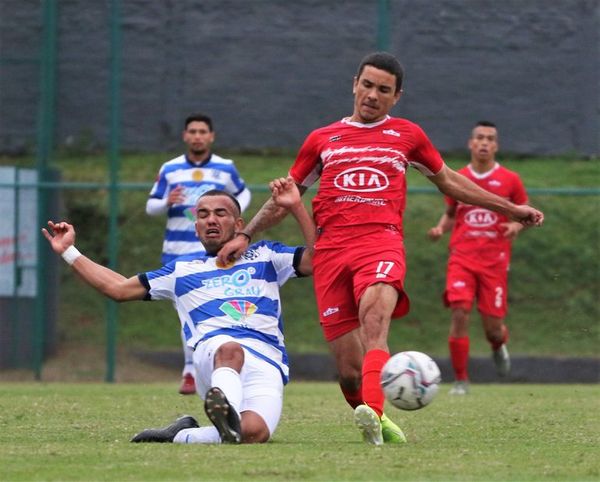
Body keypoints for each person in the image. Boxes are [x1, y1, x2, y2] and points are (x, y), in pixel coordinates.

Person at [216, 52, 544, 446]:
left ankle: (373, 418)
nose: (372, 95)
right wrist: (246, 234)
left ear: (396, 96)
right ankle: (378, 418)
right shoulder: (322, 139)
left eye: (383, 90)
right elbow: (287, 196)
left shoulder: (407, 135)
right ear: (354, 84)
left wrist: (511, 209)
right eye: (367, 85)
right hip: (331, 252)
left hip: (380, 242)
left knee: (375, 322)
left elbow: (452, 182)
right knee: (349, 371)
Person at [42, 181, 315, 444]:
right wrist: (68, 251)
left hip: (267, 360)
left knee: (253, 433)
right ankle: (225, 409)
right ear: (196, 227)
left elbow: (319, 260)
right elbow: (118, 288)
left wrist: (296, 206)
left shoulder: (267, 255)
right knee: (231, 348)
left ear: (239, 225)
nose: (211, 220)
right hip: (217, 354)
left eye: (221, 213)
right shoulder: (181, 270)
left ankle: (182, 434)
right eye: (203, 215)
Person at [146, 113, 251, 395]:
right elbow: (151, 206)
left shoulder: (225, 168)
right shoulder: (170, 169)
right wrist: (167, 201)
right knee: (187, 312)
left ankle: (201, 368)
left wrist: (234, 214)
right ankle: (192, 367)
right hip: (177, 252)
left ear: (211, 136)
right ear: (185, 136)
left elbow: (244, 194)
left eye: (202, 131)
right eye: (192, 131)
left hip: (213, 252)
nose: (197, 136)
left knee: (213, 309)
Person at [428, 121, 529, 395]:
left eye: (490, 139)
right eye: (480, 138)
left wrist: (515, 226)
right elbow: (451, 214)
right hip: (461, 258)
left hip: (494, 263)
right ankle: (461, 380)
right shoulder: (457, 177)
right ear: (471, 144)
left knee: (493, 328)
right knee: (459, 312)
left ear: (495, 146)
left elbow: (523, 214)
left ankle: (498, 343)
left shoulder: (510, 180)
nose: (484, 143)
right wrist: (440, 228)